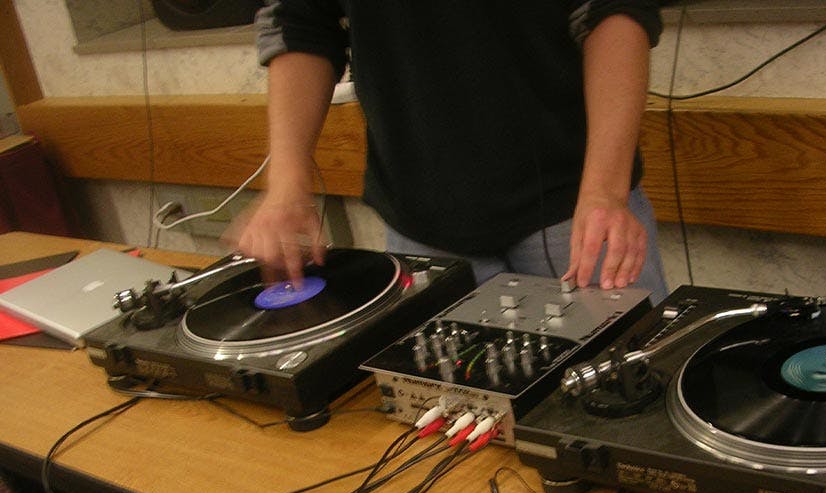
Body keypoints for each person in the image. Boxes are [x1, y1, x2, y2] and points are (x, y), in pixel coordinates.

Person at [240, 1, 669, 302]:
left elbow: (615, 7)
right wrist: (285, 185)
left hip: (579, 210)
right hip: (419, 218)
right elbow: (302, 23)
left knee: (628, 402)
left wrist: (606, 191)